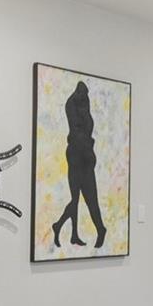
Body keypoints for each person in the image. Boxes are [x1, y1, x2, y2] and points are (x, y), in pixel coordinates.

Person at [52, 81, 106, 249]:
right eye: (83, 95)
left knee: (88, 198)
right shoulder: (72, 104)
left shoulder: (82, 103)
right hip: (76, 156)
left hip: (84, 156)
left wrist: (90, 149)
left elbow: (86, 130)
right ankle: (95, 229)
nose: (85, 98)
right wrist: (89, 148)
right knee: (79, 198)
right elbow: (77, 132)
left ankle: (65, 228)